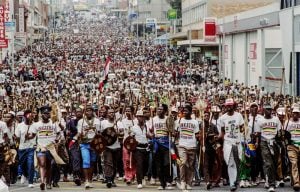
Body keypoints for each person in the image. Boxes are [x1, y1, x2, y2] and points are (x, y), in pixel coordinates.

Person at [28, 105, 63, 190]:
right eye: (44, 113)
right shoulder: (36, 124)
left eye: (48, 113)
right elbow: (31, 136)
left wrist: (57, 140)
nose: (46, 115)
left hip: (51, 148)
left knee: (49, 165)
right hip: (41, 147)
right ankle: (42, 182)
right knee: (42, 164)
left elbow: (59, 134)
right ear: (41, 114)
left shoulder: (54, 123)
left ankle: (48, 182)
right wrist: (28, 136)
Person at [219, 98, 244, 191]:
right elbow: (222, 132)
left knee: (238, 162)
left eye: (230, 105)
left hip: (237, 142)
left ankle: (237, 179)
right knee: (230, 163)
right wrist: (218, 139)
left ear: (233, 106)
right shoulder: (222, 118)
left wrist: (243, 134)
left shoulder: (239, 116)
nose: (229, 107)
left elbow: (242, 129)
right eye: (227, 105)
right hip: (228, 143)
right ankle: (232, 183)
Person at [257, 104, 282, 192]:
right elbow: (259, 134)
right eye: (267, 109)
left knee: (274, 163)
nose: (269, 111)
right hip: (264, 142)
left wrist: (280, 138)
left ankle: (270, 179)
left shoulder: (276, 119)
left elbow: (279, 131)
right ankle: (271, 184)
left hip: (274, 142)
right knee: (268, 163)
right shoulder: (260, 120)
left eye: (270, 109)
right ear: (263, 110)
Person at [76, 104, 101, 189]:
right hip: (84, 144)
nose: (89, 112)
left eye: (90, 110)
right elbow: (79, 133)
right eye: (87, 110)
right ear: (85, 112)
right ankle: (86, 180)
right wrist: (80, 135)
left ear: (93, 112)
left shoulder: (97, 121)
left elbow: (99, 133)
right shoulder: (81, 122)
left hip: (94, 144)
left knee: (92, 162)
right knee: (86, 161)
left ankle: (90, 180)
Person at [175, 104, 199, 190]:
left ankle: (189, 182)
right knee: (183, 162)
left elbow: (197, 134)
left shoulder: (195, 122)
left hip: (192, 145)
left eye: (186, 111)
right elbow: (175, 132)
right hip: (182, 145)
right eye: (183, 111)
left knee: (191, 165)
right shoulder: (179, 121)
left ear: (191, 112)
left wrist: (200, 138)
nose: (184, 112)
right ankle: (183, 181)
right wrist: (175, 133)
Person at [15, 109, 35, 188]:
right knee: (22, 164)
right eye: (28, 116)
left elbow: (36, 135)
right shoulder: (20, 126)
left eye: (31, 116)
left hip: (31, 148)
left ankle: (30, 181)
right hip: (22, 148)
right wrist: (15, 138)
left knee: (30, 164)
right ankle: (24, 174)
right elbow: (17, 137)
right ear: (24, 117)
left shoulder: (34, 125)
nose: (30, 118)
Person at [131, 110, 149, 189]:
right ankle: (139, 181)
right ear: (137, 117)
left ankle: (143, 176)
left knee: (146, 164)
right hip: (138, 149)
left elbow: (150, 136)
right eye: (139, 116)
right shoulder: (133, 128)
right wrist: (134, 142)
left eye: (142, 117)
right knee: (139, 164)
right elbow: (130, 139)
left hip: (146, 148)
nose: (141, 118)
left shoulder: (147, 126)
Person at [286, 106, 300, 191]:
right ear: (292, 114)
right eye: (294, 113)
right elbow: (285, 135)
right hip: (292, 146)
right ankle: (296, 182)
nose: (295, 115)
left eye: (297, 113)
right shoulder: (288, 122)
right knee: (294, 163)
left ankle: (296, 179)